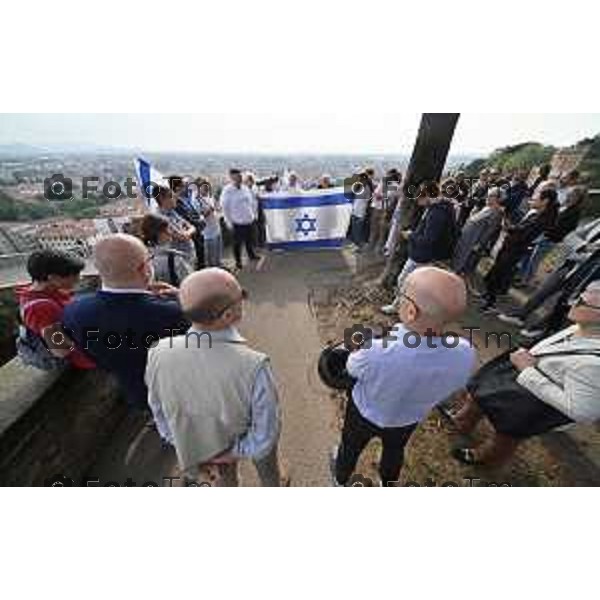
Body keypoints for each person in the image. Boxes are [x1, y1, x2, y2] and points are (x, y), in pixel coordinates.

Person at [332, 267, 476, 486]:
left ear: (410, 311)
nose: (398, 299)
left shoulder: (376, 351)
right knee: (394, 450)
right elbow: (455, 386)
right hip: (407, 418)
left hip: (364, 413)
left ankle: (341, 478)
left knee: (350, 447)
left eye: (401, 295)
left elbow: (351, 368)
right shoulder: (465, 353)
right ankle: (388, 482)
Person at [145, 268, 282, 487]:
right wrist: (235, 451)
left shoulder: (158, 351)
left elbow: (159, 409)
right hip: (239, 441)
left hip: (200, 447)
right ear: (228, 315)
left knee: (223, 483)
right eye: (241, 296)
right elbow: (265, 436)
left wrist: (184, 442)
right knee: (268, 470)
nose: (244, 298)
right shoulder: (255, 366)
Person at [446, 281, 600, 466]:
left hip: (535, 401)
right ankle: (462, 421)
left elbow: (582, 411)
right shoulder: (585, 327)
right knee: (482, 392)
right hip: (522, 373)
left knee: (508, 433)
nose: (573, 301)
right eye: (580, 294)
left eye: (582, 301)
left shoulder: (594, 364)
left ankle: (486, 458)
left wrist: (528, 370)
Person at [62, 234, 188, 411]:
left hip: (136, 392)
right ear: (144, 269)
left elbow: (78, 351)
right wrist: (183, 297)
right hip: (181, 392)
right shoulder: (173, 313)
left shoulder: (74, 311)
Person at [381, 181, 458, 315]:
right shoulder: (441, 208)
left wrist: (410, 236)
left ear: (427, 196)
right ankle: (403, 306)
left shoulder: (437, 214)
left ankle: (400, 307)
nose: (418, 203)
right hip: (429, 255)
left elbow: (428, 239)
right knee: (413, 283)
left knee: (404, 281)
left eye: (419, 199)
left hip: (423, 255)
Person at [479, 186, 559, 313]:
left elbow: (524, 234)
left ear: (545, 201)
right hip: (511, 246)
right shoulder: (537, 214)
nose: (533, 200)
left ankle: (490, 303)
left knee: (500, 273)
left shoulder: (543, 219)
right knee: (497, 271)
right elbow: (521, 229)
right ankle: (488, 296)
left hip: (515, 249)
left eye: (537, 198)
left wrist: (510, 228)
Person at [15, 249, 95, 370]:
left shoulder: (38, 293)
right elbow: (61, 349)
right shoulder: (41, 309)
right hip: (86, 357)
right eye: (74, 274)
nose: (80, 278)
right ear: (52, 278)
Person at [453, 187, 506, 277]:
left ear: (498, 198)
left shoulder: (497, 213)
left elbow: (489, 231)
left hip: (473, 243)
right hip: (467, 239)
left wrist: (479, 244)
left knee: (464, 264)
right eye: (488, 195)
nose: (487, 197)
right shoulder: (487, 207)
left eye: (490, 196)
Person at [139, 213, 194, 286]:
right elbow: (189, 284)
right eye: (167, 229)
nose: (170, 232)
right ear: (159, 234)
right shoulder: (175, 259)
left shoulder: (143, 257)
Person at [221, 168, 259, 270]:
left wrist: (253, 215)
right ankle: (238, 261)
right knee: (237, 243)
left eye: (240, 176)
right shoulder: (227, 190)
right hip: (237, 222)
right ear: (231, 177)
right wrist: (228, 222)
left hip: (249, 220)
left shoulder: (245, 188)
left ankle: (251, 255)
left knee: (249, 240)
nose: (239, 178)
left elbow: (250, 202)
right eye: (237, 176)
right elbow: (225, 207)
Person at [169, 176, 206, 269]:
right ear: (177, 188)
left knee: (201, 259)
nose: (186, 187)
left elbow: (193, 214)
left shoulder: (181, 200)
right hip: (191, 239)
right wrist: (200, 221)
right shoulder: (175, 204)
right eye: (183, 185)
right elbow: (188, 220)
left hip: (196, 235)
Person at [155, 186, 197, 266]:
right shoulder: (161, 219)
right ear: (162, 199)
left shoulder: (172, 212)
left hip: (188, 254)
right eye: (171, 196)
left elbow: (191, 226)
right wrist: (187, 232)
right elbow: (183, 237)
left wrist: (187, 232)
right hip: (180, 260)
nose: (175, 200)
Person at [195, 178, 223, 267]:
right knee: (211, 257)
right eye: (204, 186)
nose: (206, 187)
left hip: (216, 229)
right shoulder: (196, 200)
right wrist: (210, 210)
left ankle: (219, 267)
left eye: (207, 185)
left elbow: (216, 208)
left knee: (218, 254)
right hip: (208, 233)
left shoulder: (209, 197)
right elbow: (199, 216)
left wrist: (216, 208)